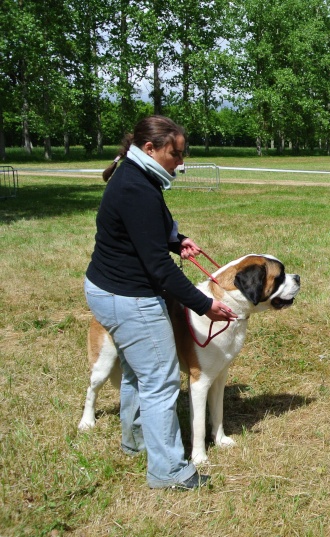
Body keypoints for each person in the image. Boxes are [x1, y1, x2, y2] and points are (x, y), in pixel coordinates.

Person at [84, 115, 237, 489]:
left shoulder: (136, 177)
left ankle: (136, 442)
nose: (180, 163)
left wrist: (176, 240)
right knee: (161, 381)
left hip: (106, 290)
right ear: (150, 149)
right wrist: (204, 305)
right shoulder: (137, 187)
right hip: (129, 298)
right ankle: (169, 471)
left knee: (139, 374)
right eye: (176, 154)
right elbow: (158, 270)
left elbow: (143, 234)